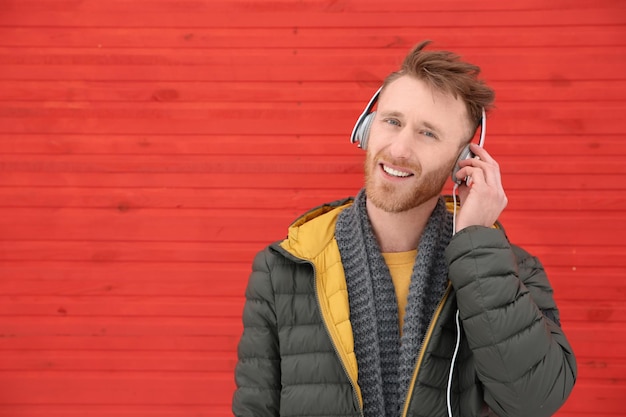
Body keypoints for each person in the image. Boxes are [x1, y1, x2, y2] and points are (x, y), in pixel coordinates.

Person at [232, 40, 577, 417]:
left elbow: (534, 401)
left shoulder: (510, 269)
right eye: (392, 121)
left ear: (462, 160)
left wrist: (477, 245)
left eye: (428, 133)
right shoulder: (286, 267)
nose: (398, 149)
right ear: (366, 127)